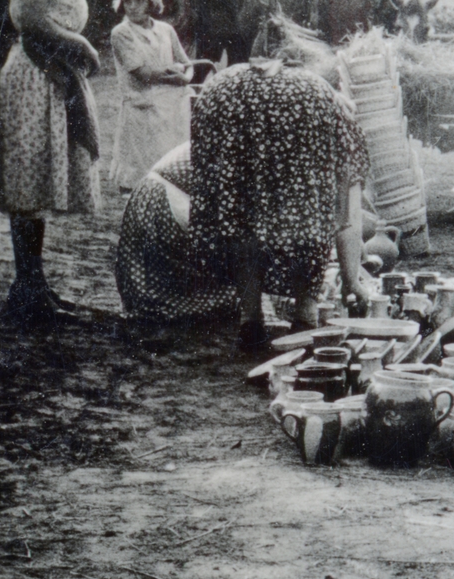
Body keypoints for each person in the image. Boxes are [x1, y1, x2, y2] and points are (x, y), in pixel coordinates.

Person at [114, 20, 371, 345]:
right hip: (168, 209)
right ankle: (305, 316)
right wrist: (352, 281)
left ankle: (250, 319)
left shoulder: (225, 84)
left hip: (188, 209)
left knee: (245, 218)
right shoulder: (326, 99)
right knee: (310, 218)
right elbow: (347, 214)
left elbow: (216, 186)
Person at [0, 0, 101, 324]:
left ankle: (33, 286)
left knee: (35, 180)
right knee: (28, 179)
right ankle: (27, 291)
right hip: (35, 73)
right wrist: (82, 45)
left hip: (51, 73)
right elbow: (32, 20)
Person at [108, 0, 192, 190]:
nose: (132, 7)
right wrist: (175, 73)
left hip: (172, 108)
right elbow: (143, 73)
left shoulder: (165, 29)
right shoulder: (121, 33)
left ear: (151, 1)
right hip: (142, 107)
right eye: (128, 1)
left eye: (139, 1)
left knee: (171, 169)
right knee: (140, 175)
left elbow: (187, 63)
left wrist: (186, 77)